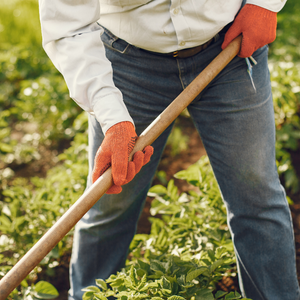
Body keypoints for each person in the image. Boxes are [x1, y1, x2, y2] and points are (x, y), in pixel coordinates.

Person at [39, 0, 300, 299]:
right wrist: (112, 117)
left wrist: (264, 3)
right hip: (128, 62)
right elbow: (67, 26)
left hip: (230, 45)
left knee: (257, 200)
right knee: (110, 202)